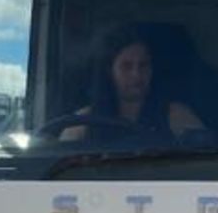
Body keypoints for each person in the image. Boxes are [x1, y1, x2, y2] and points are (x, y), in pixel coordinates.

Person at [59, 28, 207, 142]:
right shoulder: (83, 122)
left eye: (143, 65)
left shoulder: (176, 116)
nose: (136, 74)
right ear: (110, 71)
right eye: (126, 66)